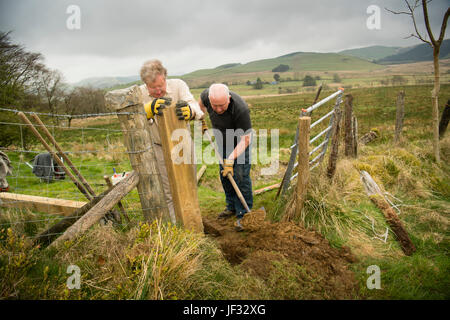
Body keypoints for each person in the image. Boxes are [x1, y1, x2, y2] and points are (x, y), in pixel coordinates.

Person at [139, 59, 204, 223]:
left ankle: (193, 221)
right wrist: (146, 111)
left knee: (189, 183)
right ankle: (176, 228)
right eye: (153, 88)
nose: (158, 91)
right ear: (145, 84)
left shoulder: (178, 86)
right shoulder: (139, 93)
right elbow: (132, 119)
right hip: (159, 147)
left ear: (165, 77)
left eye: (160, 86)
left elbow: (194, 105)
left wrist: (190, 111)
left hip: (183, 143)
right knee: (168, 189)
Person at [199, 83, 253, 230]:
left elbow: (246, 140)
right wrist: (201, 117)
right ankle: (232, 207)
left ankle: (245, 215)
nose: (218, 109)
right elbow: (200, 104)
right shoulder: (206, 95)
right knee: (225, 176)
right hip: (222, 142)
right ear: (210, 99)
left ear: (228, 99)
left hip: (240, 143)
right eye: (214, 106)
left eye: (222, 105)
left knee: (240, 177)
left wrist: (231, 158)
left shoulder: (240, 108)